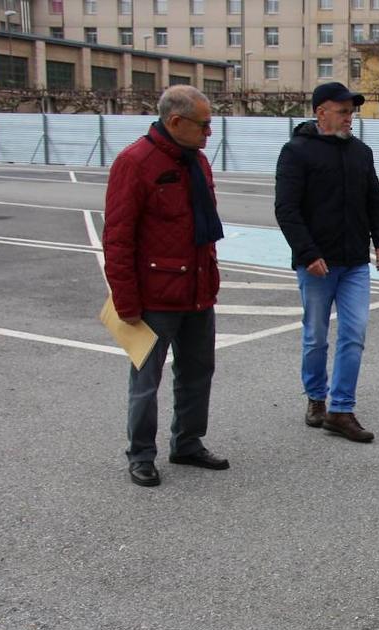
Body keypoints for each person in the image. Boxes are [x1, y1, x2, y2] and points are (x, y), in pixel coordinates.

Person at [103, 85, 229, 487]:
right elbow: (118, 238)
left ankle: (187, 443)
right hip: (155, 295)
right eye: (204, 125)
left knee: (197, 372)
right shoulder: (134, 162)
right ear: (176, 122)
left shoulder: (198, 163)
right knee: (146, 380)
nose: (209, 133)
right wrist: (126, 301)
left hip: (197, 289)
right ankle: (140, 454)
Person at [275, 82, 379, 442]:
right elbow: (287, 209)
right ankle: (316, 398)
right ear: (320, 112)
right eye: (343, 111)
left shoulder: (361, 152)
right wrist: (308, 254)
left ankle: (341, 409)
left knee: (354, 334)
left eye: (352, 111)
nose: (349, 118)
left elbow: (375, 200)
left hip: (354, 261)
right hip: (317, 264)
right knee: (315, 337)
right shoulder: (296, 152)